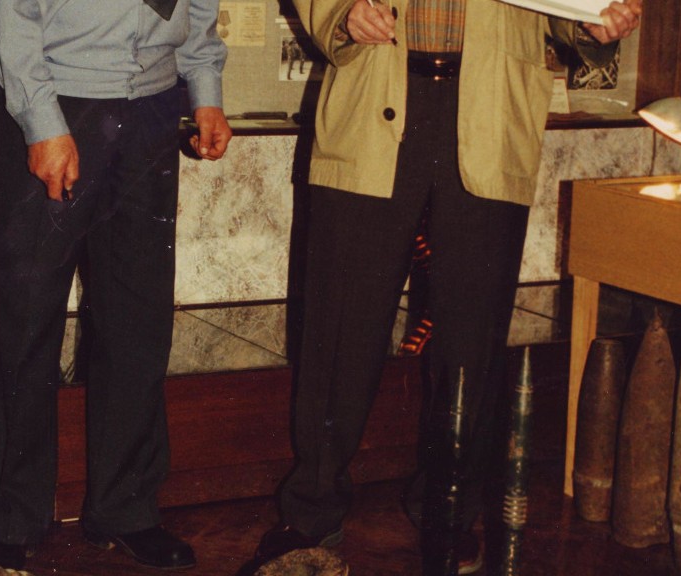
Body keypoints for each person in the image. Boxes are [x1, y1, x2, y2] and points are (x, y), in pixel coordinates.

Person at [246, 0, 641, 573]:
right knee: (340, 328)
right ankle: (311, 511)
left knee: (470, 337)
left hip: (491, 110)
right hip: (372, 99)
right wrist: (342, 13)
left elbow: (567, 11)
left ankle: (449, 511)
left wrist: (593, 22)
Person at [0, 0, 231, 572]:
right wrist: (41, 121)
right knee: (28, 320)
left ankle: (127, 509)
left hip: (154, 108)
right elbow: (9, 13)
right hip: (59, 101)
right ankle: (14, 518)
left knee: (139, 320)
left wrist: (205, 88)